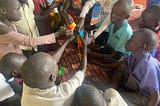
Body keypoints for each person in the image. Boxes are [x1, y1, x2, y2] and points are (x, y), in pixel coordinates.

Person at [21, 34, 88, 106]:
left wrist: (67, 41)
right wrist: (84, 47)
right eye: (56, 66)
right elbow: (82, 71)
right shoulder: (64, 93)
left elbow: (51, 61)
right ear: (53, 77)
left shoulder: (29, 80)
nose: (56, 63)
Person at [0, 0, 66, 59]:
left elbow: (33, 18)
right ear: (3, 10)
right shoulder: (3, 28)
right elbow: (28, 41)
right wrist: (57, 34)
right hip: (24, 50)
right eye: (17, 10)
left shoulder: (27, 3)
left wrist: (47, 15)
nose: (20, 13)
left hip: (36, 42)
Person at [110, 28, 160, 106]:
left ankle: (114, 94)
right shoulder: (134, 55)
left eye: (131, 40)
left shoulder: (148, 67)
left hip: (147, 95)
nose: (127, 41)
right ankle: (110, 89)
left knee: (116, 99)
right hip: (139, 84)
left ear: (143, 46)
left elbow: (155, 98)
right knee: (120, 68)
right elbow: (120, 65)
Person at [87, 0, 133, 67]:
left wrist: (91, 53)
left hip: (119, 55)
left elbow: (114, 55)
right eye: (112, 11)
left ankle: (103, 64)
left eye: (117, 14)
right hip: (110, 48)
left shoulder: (126, 32)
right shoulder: (112, 20)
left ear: (126, 17)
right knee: (90, 47)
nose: (112, 15)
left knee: (114, 61)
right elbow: (93, 26)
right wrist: (78, 27)